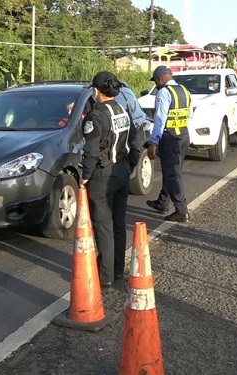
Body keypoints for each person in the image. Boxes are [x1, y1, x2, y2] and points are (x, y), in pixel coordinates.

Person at [81, 71, 142, 288]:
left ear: (97, 91)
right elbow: (136, 140)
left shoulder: (96, 116)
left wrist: (85, 176)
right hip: (122, 172)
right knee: (118, 225)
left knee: (103, 227)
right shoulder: (123, 111)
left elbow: (91, 150)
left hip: (102, 177)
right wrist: (130, 166)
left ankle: (105, 276)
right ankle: (117, 272)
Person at [145, 66, 192, 222]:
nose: (156, 84)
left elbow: (160, 119)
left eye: (156, 81)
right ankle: (163, 202)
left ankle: (181, 210)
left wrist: (153, 141)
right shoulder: (184, 90)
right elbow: (190, 114)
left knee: (172, 174)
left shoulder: (163, 92)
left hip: (170, 137)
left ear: (160, 79)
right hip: (184, 135)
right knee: (173, 171)